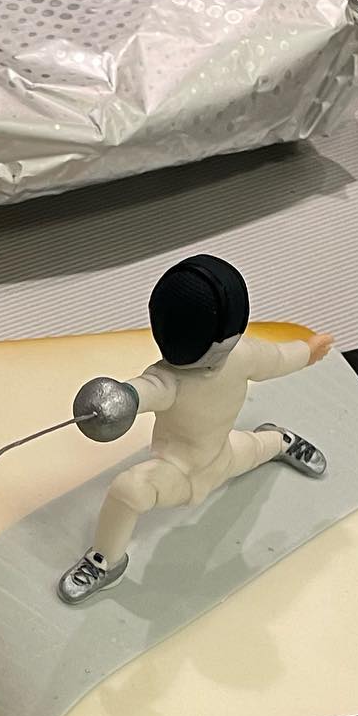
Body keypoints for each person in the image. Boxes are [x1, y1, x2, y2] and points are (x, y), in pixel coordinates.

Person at [58, 254, 334, 603]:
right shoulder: (168, 380)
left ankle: (281, 440)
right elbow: (140, 392)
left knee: (260, 449)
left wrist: (307, 351)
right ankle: (105, 561)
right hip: (178, 470)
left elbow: (278, 360)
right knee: (129, 490)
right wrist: (117, 399)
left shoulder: (243, 356)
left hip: (223, 453)